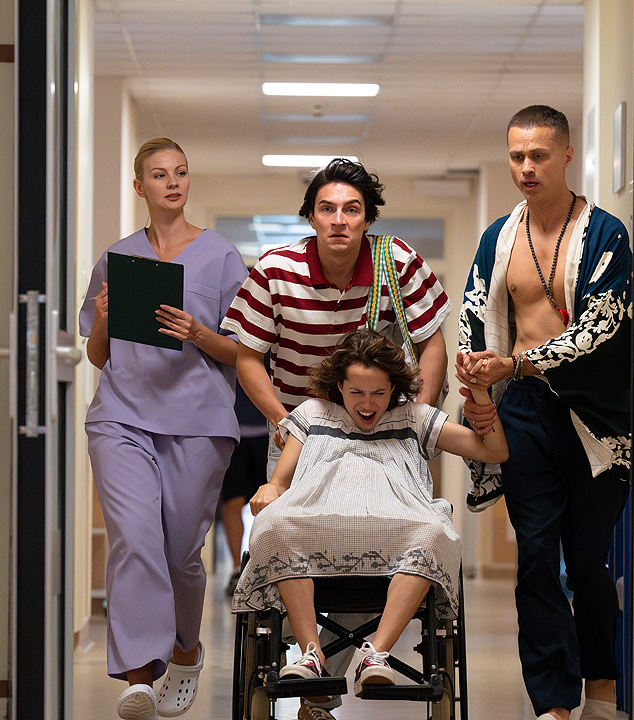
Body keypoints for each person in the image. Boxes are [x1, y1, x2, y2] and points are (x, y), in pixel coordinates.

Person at [221, 158, 452, 720]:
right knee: (297, 537)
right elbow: (248, 357)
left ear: (368, 217)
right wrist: (287, 421)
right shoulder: (275, 270)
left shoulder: (398, 263)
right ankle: (310, 664)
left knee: (366, 548)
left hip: (380, 431)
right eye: (327, 209)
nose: (339, 220)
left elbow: (432, 343)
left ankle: (335, 669)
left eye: (352, 209)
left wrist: (415, 416)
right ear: (311, 218)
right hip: (300, 427)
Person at [454, 106, 633, 720]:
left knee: (587, 562)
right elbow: (475, 318)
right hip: (526, 410)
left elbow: (600, 327)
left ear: (566, 156)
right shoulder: (498, 238)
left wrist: (516, 364)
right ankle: (553, 703)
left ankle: (601, 687)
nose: (526, 168)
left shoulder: (606, 233)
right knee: (535, 557)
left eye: (538, 155)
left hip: (594, 416)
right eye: (516, 156)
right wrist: (479, 382)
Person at [233, 328, 508, 698]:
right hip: (318, 528)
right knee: (275, 524)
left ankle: (375, 655)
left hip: (395, 532)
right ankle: (311, 654)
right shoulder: (313, 412)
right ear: (339, 385)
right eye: (356, 392)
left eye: (378, 392)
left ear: (393, 387)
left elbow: (494, 452)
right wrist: (270, 488)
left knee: (433, 531)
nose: (367, 404)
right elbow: (279, 482)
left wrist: (480, 394)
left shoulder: (415, 417)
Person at [79, 137, 248, 720]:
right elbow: (98, 355)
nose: (172, 182)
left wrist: (197, 332)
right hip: (121, 416)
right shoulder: (118, 258)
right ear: (140, 186)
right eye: (159, 174)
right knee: (134, 539)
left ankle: (185, 648)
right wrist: (103, 320)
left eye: (180, 172)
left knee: (180, 555)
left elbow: (243, 353)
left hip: (197, 423)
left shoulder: (221, 256)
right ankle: (139, 676)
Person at [218, 377, 270, 596]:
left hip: (270, 430)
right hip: (233, 431)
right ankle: (237, 569)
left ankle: (268, 567)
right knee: (233, 500)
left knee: (271, 504)